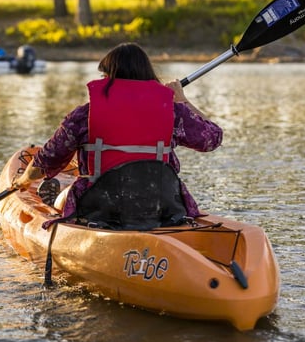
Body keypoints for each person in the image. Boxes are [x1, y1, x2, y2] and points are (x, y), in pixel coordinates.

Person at [11, 42, 223, 229]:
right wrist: (181, 100)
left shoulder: (84, 115)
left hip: (100, 210)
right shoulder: (173, 111)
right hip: (161, 208)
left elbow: (46, 161)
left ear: (109, 77)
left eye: (104, 74)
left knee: (64, 197)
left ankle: (55, 197)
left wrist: (22, 180)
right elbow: (212, 137)